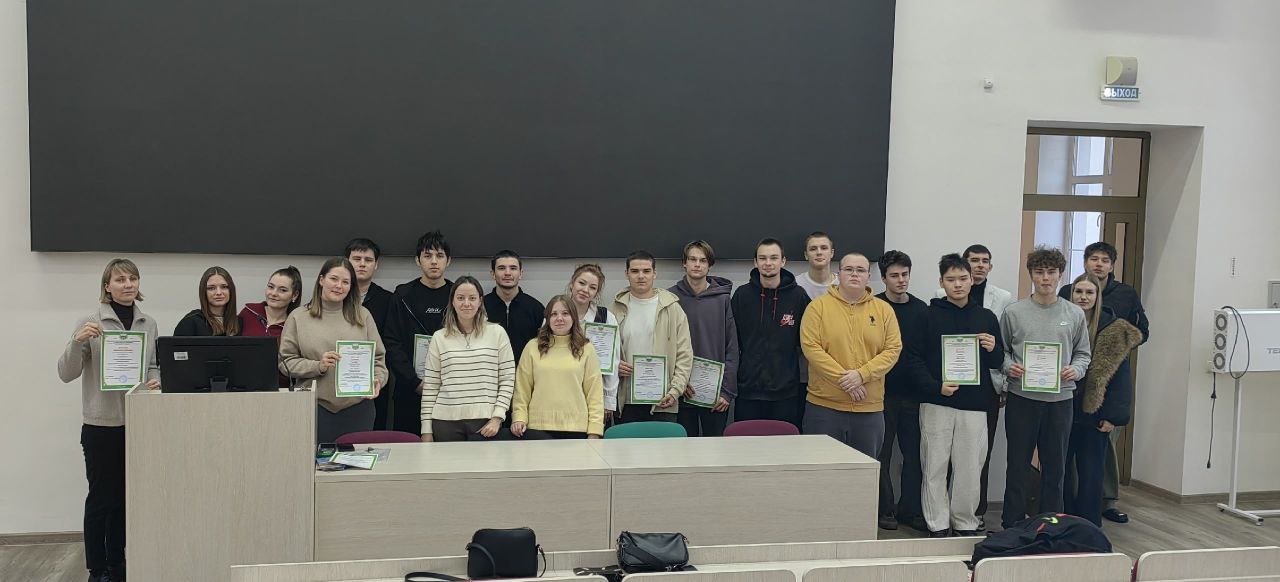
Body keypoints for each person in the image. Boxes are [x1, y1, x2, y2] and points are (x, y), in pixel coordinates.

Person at [57, 258, 161, 582]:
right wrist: (76, 342)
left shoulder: (148, 323)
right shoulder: (91, 322)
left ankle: (118, 562)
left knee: (125, 500)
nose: (128, 284)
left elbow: (154, 365)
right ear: (107, 286)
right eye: (120, 279)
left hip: (137, 423)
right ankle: (97, 568)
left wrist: (156, 380)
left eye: (133, 279)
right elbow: (65, 373)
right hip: (101, 425)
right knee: (101, 499)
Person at [908, 254, 1004, 537]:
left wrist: (993, 348)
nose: (958, 284)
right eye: (951, 279)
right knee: (934, 465)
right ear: (941, 282)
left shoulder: (986, 317)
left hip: (975, 405)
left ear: (972, 280)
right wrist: (935, 386)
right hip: (936, 401)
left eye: (963, 278)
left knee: (970, 468)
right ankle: (937, 523)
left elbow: (997, 361)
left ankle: (965, 521)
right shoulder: (926, 315)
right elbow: (913, 359)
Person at [1057, 240, 1149, 524]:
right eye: (1079, 292)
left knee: (1093, 468)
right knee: (1061, 467)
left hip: (1097, 405)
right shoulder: (1061, 318)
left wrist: (1114, 415)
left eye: (1104, 260)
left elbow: (1121, 373)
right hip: (1062, 401)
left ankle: (1090, 521)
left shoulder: (1115, 321)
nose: (1083, 297)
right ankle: (1062, 518)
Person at [999, 246, 1091, 528]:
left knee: (1055, 468)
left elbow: (1083, 354)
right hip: (1022, 399)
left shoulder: (1074, 313)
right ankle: (1013, 524)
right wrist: (1008, 366)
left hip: (1060, 401)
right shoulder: (1014, 312)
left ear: (1060, 275)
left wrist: (1075, 370)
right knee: (1017, 466)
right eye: (1040, 272)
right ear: (1031, 275)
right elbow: (1001, 352)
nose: (1046, 278)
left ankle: (1051, 525)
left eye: (1051, 272)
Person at [935, 243, 1015, 527]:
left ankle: (973, 514)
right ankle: (940, 515)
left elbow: (1001, 350)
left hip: (984, 390)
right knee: (940, 460)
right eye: (974, 260)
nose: (979, 265)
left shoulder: (999, 302)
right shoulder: (936, 304)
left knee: (977, 457)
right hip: (945, 390)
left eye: (984, 261)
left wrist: (1002, 380)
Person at [800, 252, 901, 457]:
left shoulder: (884, 310)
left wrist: (861, 375)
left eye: (860, 270)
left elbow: (892, 349)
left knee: (864, 472)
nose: (854, 274)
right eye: (849, 269)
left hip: (869, 409)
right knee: (822, 470)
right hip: (824, 407)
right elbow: (811, 348)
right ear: (838, 275)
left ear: (868, 276)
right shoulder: (817, 307)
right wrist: (846, 381)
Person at [279, 258, 388, 444]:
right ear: (321, 280)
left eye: (346, 282)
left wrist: (377, 380)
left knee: (354, 462)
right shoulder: (299, 317)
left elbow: (378, 360)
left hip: (358, 409)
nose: (339, 286)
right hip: (314, 407)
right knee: (313, 462)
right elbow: (285, 362)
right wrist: (318, 366)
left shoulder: (363, 315)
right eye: (334, 279)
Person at [420, 276, 516, 442]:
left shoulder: (497, 333)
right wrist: (426, 430)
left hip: (485, 423)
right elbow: (431, 387)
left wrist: (497, 417)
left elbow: (507, 379)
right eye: (460, 298)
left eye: (472, 298)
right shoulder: (439, 337)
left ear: (480, 301)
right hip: (444, 423)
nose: (466, 303)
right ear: (452, 301)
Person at [873, 250, 928, 532]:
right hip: (881, 394)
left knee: (914, 456)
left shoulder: (921, 309)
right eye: (894, 275)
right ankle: (885, 509)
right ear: (883, 278)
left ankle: (910, 509)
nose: (901, 280)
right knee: (881, 455)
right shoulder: (874, 306)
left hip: (914, 395)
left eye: (905, 274)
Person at [731, 238, 811, 428]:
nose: (768, 263)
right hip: (748, 391)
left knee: (785, 444)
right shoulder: (741, 295)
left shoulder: (798, 296)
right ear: (755, 262)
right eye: (763, 258)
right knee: (745, 443)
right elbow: (732, 341)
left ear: (783, 261)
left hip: (786, 393)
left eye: (774, 258)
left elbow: (808, 341)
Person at [383, 230, 454, 436]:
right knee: (409, 446)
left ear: (448, 261)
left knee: (448, 449)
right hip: (409, 391)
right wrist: (415, 383)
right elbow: (392, 342)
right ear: (417, 260)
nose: (434, 262)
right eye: (427, 256)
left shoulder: (458, 295)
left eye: (440, 256)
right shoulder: (402, 295)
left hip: (450, 392)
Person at [611, 250, 693, 423]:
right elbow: (604, 354)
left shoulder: (672, 308)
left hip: (664, 400)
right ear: (626, 274)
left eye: (646, 271)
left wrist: (675, 391)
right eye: (635, 271)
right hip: (626, 401)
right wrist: (614, 366)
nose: (641, 276)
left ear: (654, 273)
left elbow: (684, 355)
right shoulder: (615, 309)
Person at [511, 295, 605, 439]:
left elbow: (595, 394)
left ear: (573, 317)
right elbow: (522, 390)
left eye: (565, 313)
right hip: (537, 428)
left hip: (576, 429)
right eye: (554, 314)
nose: (559, 318)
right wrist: (519, 417)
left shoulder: (586, 349)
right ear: (547, 319)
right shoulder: (532, 347)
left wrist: (595, 431)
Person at [670, 240, 738, 437]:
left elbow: (732, 347)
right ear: (684, 263)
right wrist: (678, 384)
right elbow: (665, 346)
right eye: (692, 259)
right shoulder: (671, 298)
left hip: (715, 394)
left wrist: (726, 391)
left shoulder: (723, 299)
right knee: (683, 448)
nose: (697, 265)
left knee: (714, 449)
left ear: (709, 265)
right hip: (682, 390)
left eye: (703, 260)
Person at [346, 238, 396, 429]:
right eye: (356, 259)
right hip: (339, 374)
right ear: (346, 262)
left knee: (373, 431)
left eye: (368, 260)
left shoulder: (388, 299)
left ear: (376, 265)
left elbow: (391, 340)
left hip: (375, 376)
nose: (362, 264)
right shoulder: (334, 297)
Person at [567, 263, 621, 423]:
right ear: (572, 284)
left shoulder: (606, 318)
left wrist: (608, 401)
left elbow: (613, 364)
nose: (585, 290)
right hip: (562, 394)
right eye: (581, 283)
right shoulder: (555, 314)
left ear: (596, 292)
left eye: (592, 287)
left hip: (595, 397)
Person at [484, 250, 546, 365]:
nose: (507, 273)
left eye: (513, 268)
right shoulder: (480, 307)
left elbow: (544, 348)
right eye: (501, 268)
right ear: (493, 273)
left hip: (525, 373)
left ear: (521, 273)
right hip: (488, 372)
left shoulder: (536, 309)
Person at [173, 266, 242, 336]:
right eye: (211, 288)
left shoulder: (240, 323)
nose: (218, 292)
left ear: (231, 290)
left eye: (224, 287)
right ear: (203, 292)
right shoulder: (190, 322)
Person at [240, 266, 303, 339]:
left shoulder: (294, 327)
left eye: (283, 290)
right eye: (271, 287)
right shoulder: (248, 312)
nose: (273, 293)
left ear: (295, 295)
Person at [796, 231, 837, 300]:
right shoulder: (796, 284)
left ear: (832, 253)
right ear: (806, 255)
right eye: (813, 249)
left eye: (824, 248)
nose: (819, 252)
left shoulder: (843, 284)